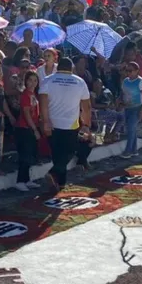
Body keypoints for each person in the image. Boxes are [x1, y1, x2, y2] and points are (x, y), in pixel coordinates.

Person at [39, 58, 91, 191]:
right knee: (69, 152)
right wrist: (86, 124)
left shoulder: (47, 80)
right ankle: (53, 174)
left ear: (58, 67)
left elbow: (43, 104)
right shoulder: (79, 82)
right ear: (71, 68)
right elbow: (87, 106)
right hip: (71, 124)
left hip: (52, 123)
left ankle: (60, 182)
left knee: (57, 154)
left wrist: (45, 121)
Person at [14, 70, 42, 191]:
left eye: (35, 80)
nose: (33, 83)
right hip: (25, 128)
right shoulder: (25, 95)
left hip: (31, 127)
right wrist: (34, 129)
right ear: (26, 81)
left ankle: (26, 179)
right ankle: (20, 181)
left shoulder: (33, 94)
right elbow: (26, 113)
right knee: (24, 155)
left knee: (30, 154)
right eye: (30, 80)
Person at [119, 62, 142, 159]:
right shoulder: (125, 81)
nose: (128, 73)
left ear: (137, 71)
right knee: (131, 130)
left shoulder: (141, 82)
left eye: (130, 71)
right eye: (127, 70)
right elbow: (123, 93)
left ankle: (128, 151)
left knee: (131, 129)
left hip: (137, 108)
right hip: (127, 107)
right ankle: (134, 150)